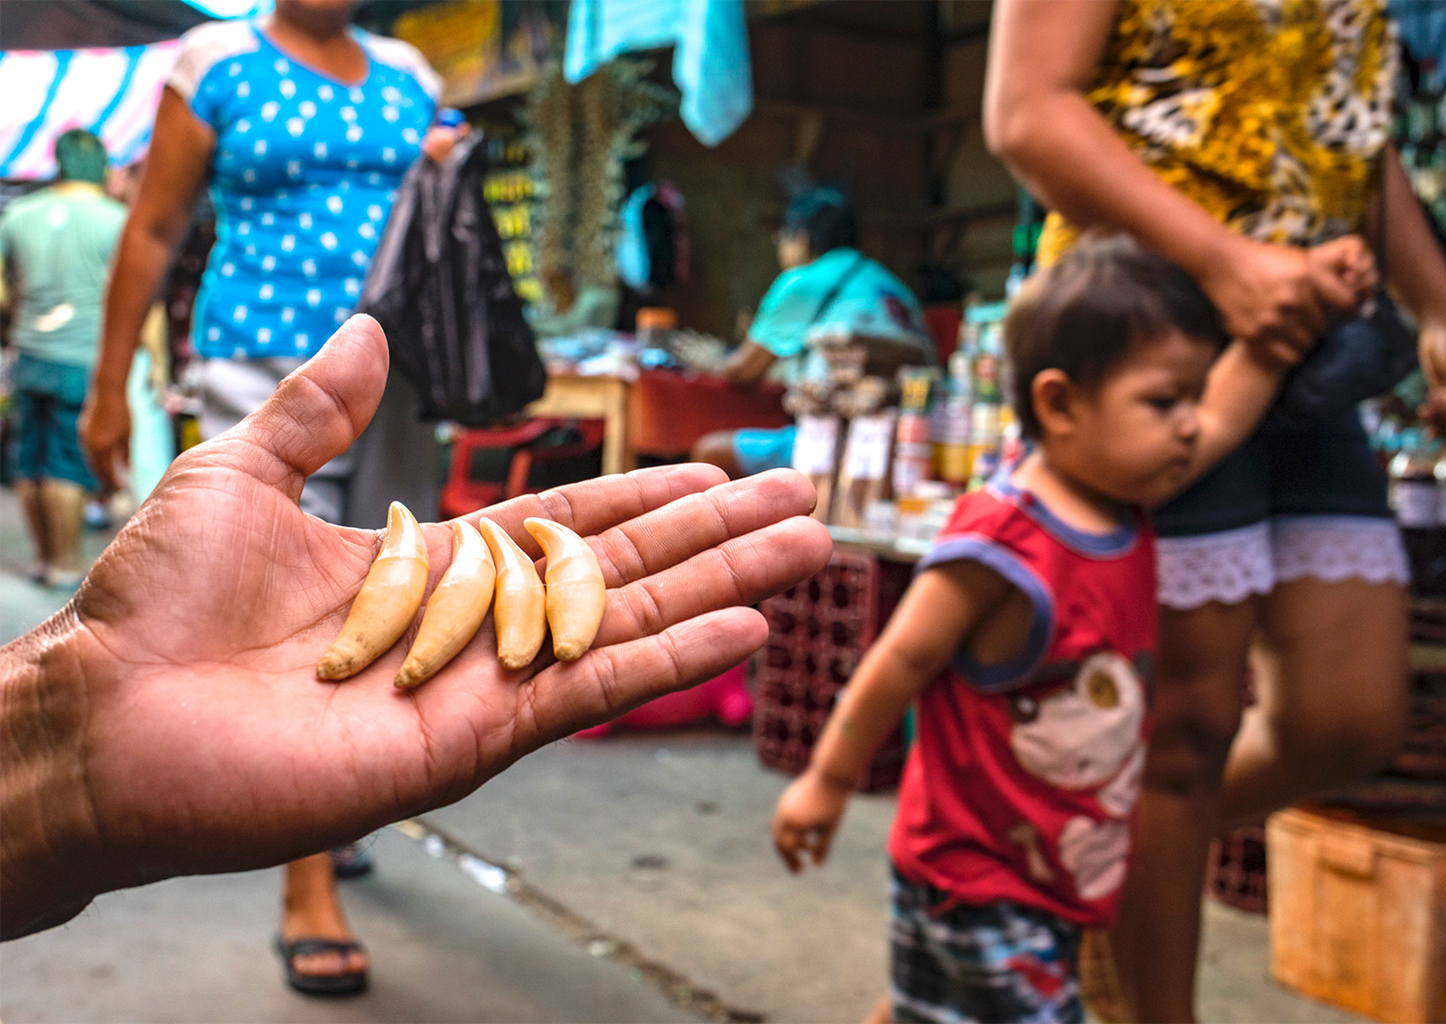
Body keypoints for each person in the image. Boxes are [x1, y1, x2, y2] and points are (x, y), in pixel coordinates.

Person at [981, 3, 1446, 1021]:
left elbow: (1345, 131)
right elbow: (1027, 115)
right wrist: (1227, 261)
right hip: (1141, 329)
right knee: (1183, 731)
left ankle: (1067, 879)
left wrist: (1443, 306)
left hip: (1307, 334)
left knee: (1347, 715)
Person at [2, 313, 831, 944]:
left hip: (395, 394)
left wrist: (63, 741)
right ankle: (309, 888)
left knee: (446, 578)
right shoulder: (219, 89)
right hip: (276, 353)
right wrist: (69, 726)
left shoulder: (406, 101)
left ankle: (317, 874)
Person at [772, 236, 1318, 1024]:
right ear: (1061, 405)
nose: (1193, 426)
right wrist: (827, 781)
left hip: (1050, 875)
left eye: (1194, 399)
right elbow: (900, 659)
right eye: (1167, 402)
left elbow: (1229, 416)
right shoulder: (1002, 541)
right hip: (979, 881)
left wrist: (1273, 340)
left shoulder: (1126, 498)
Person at [77, 0, 465, 994]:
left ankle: (339, 802)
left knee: (401, 584)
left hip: (400, 368)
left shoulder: (412, 72)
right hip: (262, 366)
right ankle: (305, 879)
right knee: (301, 608)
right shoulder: (214, 60)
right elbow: (156, 224)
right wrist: (109, 385)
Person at [691, 187, 933, 478]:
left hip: (845, 441)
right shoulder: (893, 284)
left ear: (801, 240)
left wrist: (705, 359)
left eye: (782, 239)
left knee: (707, 455)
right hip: (916, 440)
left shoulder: (802, 282)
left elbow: (741, 371)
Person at [0, 130, 126, 590]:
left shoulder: (17, 214)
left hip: (29, 351)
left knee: (31, 460)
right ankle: (67, 562)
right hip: (81, 356)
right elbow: (137, 300)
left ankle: (41, 558)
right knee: (66, 462)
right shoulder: (115, 219)